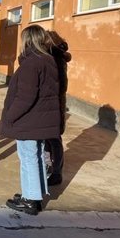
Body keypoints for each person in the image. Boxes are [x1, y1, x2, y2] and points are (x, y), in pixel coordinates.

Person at [1, 25, 61, 215]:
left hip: (30, 120)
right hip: (40, 120)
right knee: (36, 157)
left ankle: (32, 200)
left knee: (28, 158)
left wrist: (9, 117)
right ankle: (32, 193)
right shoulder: (48, 59)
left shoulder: (32, 62)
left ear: (27, 40)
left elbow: (25, 97)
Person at [45, 30, 72, 186]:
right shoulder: (52, 57)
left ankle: (57, 172)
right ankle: (49, 166)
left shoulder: (56, 58)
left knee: (54, 139)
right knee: (47, 138)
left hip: (53, 105)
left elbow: (61, 85)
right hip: (49, 105)